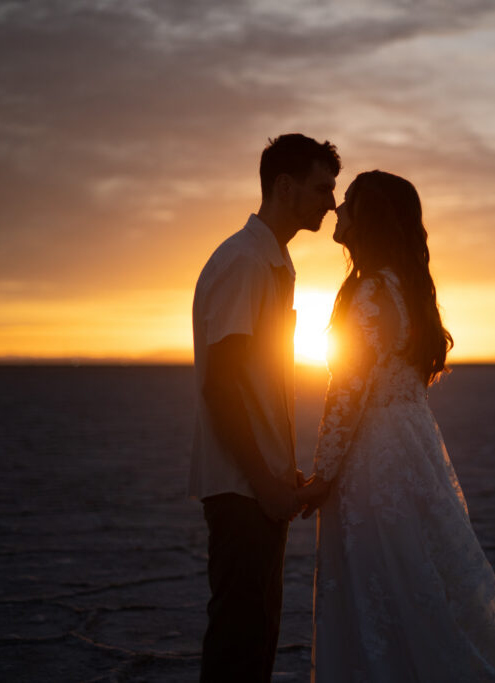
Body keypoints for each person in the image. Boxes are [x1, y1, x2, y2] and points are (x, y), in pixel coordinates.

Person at [297, 171, 495, 682]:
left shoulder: (369, 291)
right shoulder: (403, 285)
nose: (337, 211)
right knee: (419, 576)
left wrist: (321, 475)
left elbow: (347, 390)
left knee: (382, 581)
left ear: (368, 219)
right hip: (411, 442)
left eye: (348, 203)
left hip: (373, 456)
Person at [190, 133, 340, 682]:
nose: (331, 201)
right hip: (239, 486)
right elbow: (222, 386)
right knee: (239, 639)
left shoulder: (273, 261)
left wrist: (279, 471)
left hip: (258, 482)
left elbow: (259, 382)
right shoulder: (244, 262)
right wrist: (263, 478)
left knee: (257, 635)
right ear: (284, 185)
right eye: (323, 188)